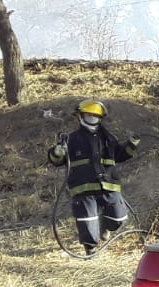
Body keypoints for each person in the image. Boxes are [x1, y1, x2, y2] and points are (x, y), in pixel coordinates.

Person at [48, 100, 139, 254]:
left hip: (109, 185)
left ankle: (105, 226)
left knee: (119, 219)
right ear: (80, 116)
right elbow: (57, 160)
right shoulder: (71, 139)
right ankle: (90, 250)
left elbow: (120, 155)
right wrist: (57, 152)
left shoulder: (108, 138)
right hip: (83, 188)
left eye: (95, 117)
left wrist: (131, 145)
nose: (92, 119)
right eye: (89, 116)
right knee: (87, 223)